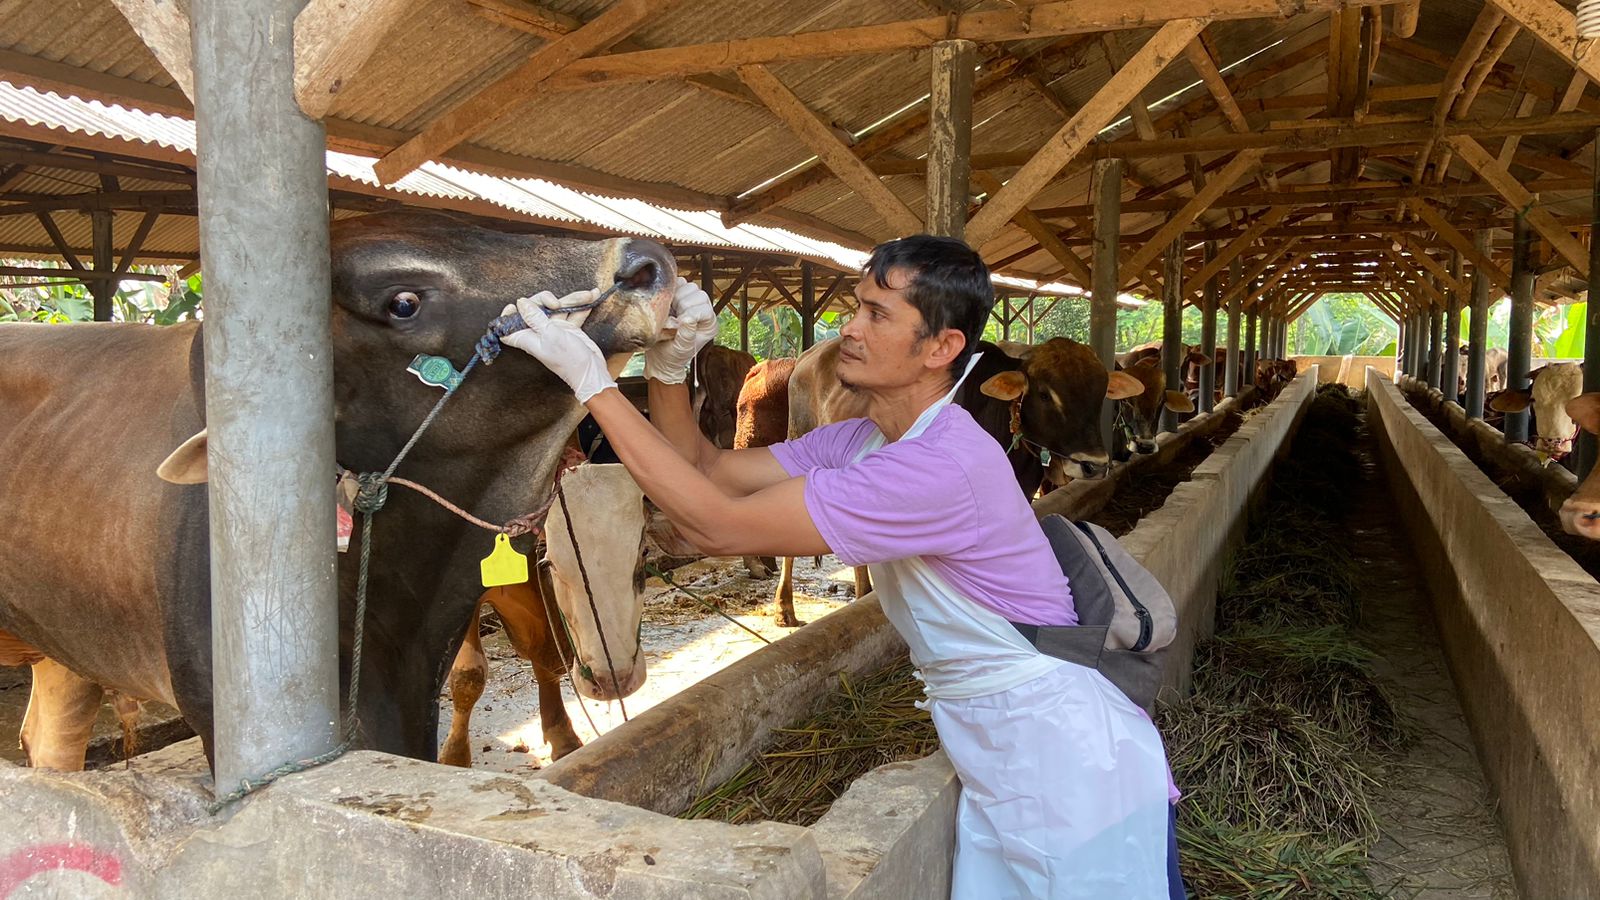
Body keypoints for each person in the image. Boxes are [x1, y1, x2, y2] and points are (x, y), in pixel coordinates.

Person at [501, 235, 1184, 899]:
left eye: (876, 315)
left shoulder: (938, 467)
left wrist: (596, 387)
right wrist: (672, 369)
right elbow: (707, 469)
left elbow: (714, 522)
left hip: (1066, 759)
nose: (847, 328)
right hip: (1002, 748)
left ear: (943, 348)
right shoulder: (864, 439)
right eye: (855, 307)